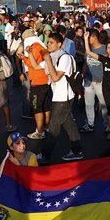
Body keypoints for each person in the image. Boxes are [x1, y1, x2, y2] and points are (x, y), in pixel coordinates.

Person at [35, 32, 83, 164]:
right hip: (58, 96)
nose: (48, 45)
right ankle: (77, 151)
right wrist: (25, 56)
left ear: (59, 44)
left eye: (51, 43)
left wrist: (48, 60)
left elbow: (55, 77)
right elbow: (35, 66)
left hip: (64, 97)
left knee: (54, 127)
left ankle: (45, 155)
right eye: (48, 42)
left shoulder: (64, 58)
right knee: (69, 124)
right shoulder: (53, 57)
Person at [19, 29, 51, 139]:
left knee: (37, 108)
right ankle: (47, 127)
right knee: (46, 107)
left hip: (37, 81)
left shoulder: (34, 48)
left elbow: (33, 64)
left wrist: (23, 57)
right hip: (46, 80)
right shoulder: (42, 47)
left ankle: (39, 131)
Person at [79, 28, 108, 133]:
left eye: (88, 36)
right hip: (88, 81)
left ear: (94, 37)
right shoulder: (89, 48)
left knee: (104, 104)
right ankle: (90, 124)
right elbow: (86, 63)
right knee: (89, 104)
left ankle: (108, 126)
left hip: (100, 82)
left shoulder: (104, 49)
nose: (86, 39)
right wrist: (82, 75)